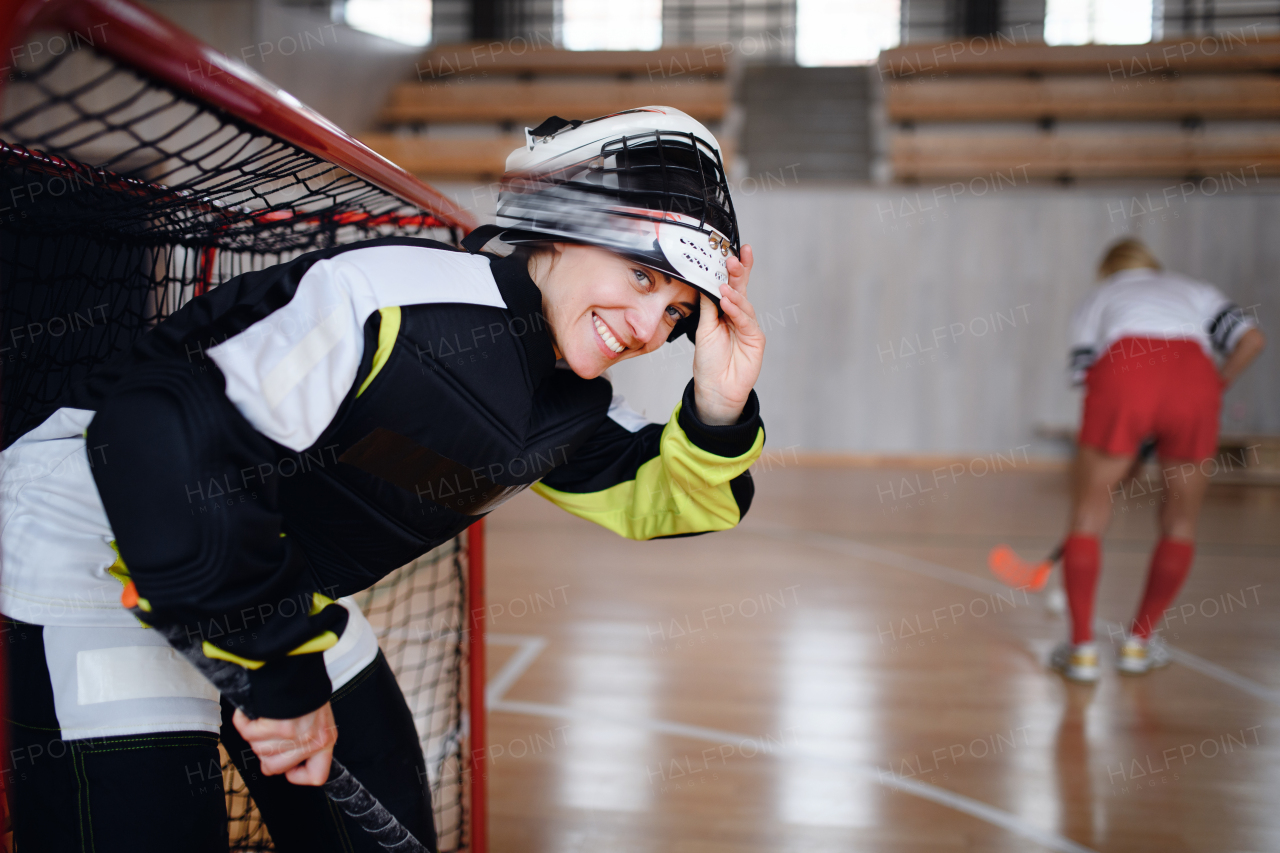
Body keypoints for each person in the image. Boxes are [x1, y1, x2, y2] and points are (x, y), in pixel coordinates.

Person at [2, 106, 766, 851]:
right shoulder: (388, 299)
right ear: (567, 229)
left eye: (676, 314)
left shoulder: (572, 404)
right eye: (640, 278)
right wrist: (283, 675)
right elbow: (153, 436)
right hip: (94, 534)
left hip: (258, 572)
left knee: (389, 818)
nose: (646, 328)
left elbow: (671, 495)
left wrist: (721, 403)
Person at [1050, 238, 1264, 682]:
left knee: (1088, 515)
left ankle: (1082, 651)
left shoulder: (1100, 295)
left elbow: (1083, 373)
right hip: (1194, 379)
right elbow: (1252, 340)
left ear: (1108, 270)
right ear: (1153, 266)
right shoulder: (1194, 289)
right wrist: (1212, 389)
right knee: (1179, 523)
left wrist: (1121, 450)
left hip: (1124, 372)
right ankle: (1138, 644)